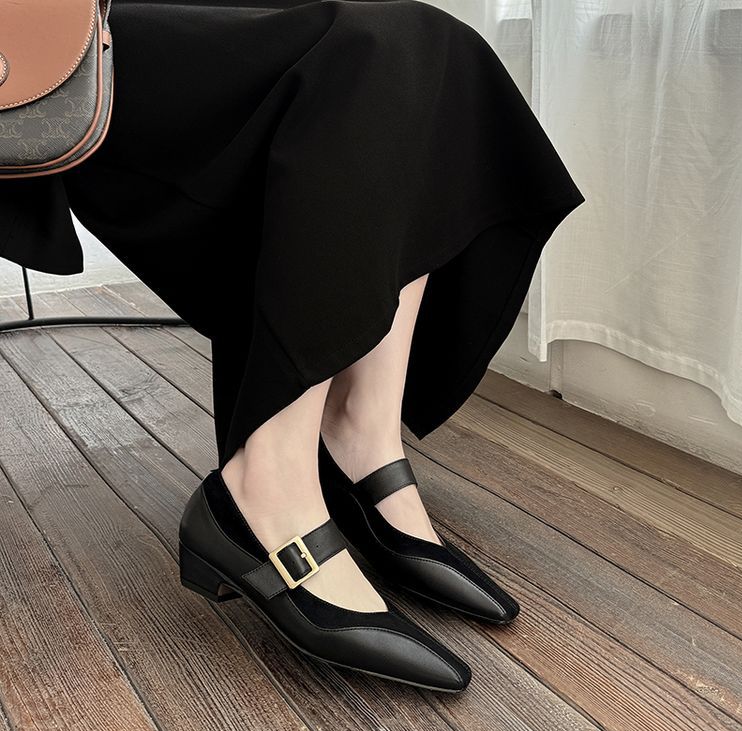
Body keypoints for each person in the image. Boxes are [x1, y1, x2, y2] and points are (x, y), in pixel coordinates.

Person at [0, 0, 585, 692]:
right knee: (368, 50)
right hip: (67, 22)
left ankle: (361, 434)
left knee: (436, 43)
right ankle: (264, 482)